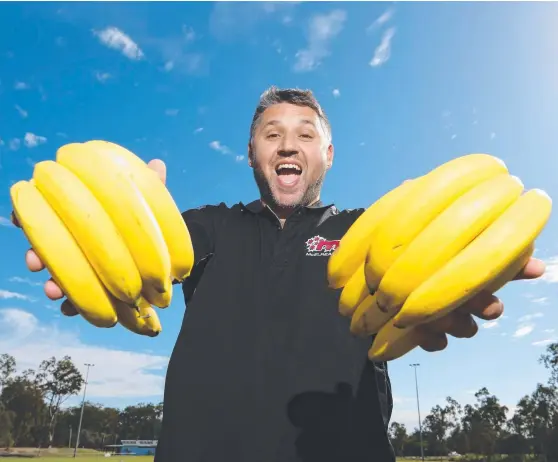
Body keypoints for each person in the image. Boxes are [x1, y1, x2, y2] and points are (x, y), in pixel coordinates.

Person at [13, 87, 545, 462]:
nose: (288, 145)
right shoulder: (208, 227)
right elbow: (144, 247)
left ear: (328, 155)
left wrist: (465, 267)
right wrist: (98, 228)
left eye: (305, 135)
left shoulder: (370, 232)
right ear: (251, 153)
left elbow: (435, 253)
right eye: (271, 135)